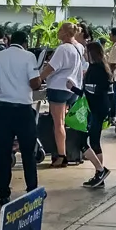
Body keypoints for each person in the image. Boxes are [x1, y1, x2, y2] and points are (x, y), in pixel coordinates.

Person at [0, 30, 41, 206]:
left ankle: (4, 194)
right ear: (26, 43)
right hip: (23, 110)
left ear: (10, 40)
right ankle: (32, 190)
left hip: (3, 111)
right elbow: (35, 84)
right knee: (28, 152)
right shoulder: (29, 57)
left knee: (4, 153)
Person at [40, 22, 81, 168]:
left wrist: (39, 78)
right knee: (63, 123)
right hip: (72, 88)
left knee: (58, 124)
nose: (57, 33)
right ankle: (66, 152)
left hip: (58, 87)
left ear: (64, 33)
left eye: (59, 30)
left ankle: (61, 156)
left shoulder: (63, 48)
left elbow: (51, 67)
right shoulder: (78, 47)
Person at [81, 41, 112, 188]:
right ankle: (99, 173)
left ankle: (100, 170)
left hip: (96, 109)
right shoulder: (101, 68)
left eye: (86, 52)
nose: (83, 55)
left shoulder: (95, 70)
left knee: (83, 141)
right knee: (94, 141)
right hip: (100, 108)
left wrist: (74, 88)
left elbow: (91, 91)